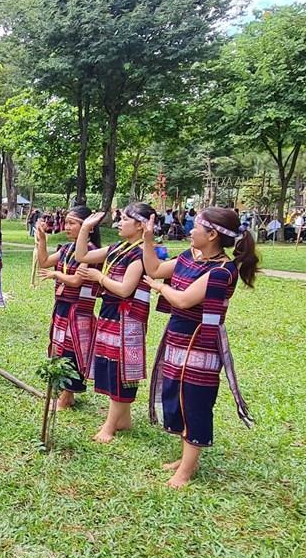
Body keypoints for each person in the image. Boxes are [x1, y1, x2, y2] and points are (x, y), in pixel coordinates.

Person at [141, 208, 257, 488]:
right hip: (178, 336)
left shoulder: (221, 271)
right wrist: (147, 241)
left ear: (212, 234)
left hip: (200, 342)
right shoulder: (188, 257)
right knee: (177, 393)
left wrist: (159, 288)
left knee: (194, 401)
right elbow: (154, 269)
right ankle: (185, 459)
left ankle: (186, 470)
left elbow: (183, 300)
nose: (190, 230)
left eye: (197, 227)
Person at [75, 203, 155, 443]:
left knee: (122, 370)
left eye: (125, 219)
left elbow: (124, 289)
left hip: (127, 318)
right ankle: (124, 419)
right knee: (110, 364)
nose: (119, 223)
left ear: (140, 225)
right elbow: (81, 256)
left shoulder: (140, 254)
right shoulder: (118, 248)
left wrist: (99, 277)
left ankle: (109, 426)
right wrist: (85, 229)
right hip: (110, 312)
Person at [35, 205, 100, 409]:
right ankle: (63, 391)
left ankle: (67, 396)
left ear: (88, 227)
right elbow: (44, 262)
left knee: (72, 350)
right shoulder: (66, 248)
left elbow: (76, 280)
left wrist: (56, 274)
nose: (67, 227)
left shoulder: (91, 251)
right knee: (60, 347)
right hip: (63, 305)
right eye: (66, 222)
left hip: (78, 309)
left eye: (72, 223)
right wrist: (42, 240)